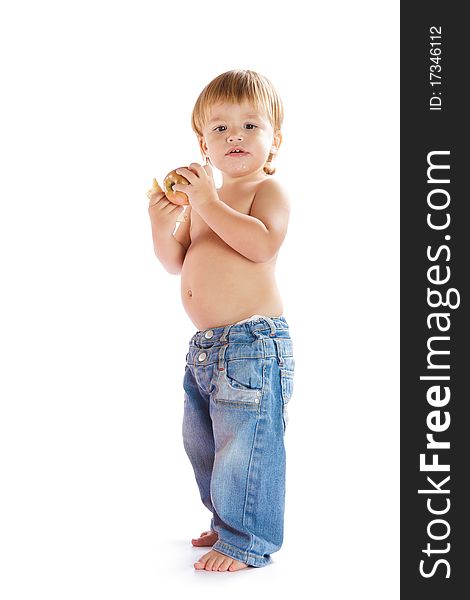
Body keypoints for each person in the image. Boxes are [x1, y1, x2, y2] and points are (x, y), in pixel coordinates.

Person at [147, 69, 295, 572]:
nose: (235, 136)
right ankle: (226, 518)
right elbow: (174, 261)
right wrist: (161, 218)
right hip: (208, 349)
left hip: (252, 345)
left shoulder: (264, 191)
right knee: (205, 442)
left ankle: (248, 536)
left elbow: (261, 244)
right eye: (221, 128)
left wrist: (206, 201)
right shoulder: (202, 202)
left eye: (250, 126)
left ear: (275, 140)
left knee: (246, 443)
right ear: (203, 143)